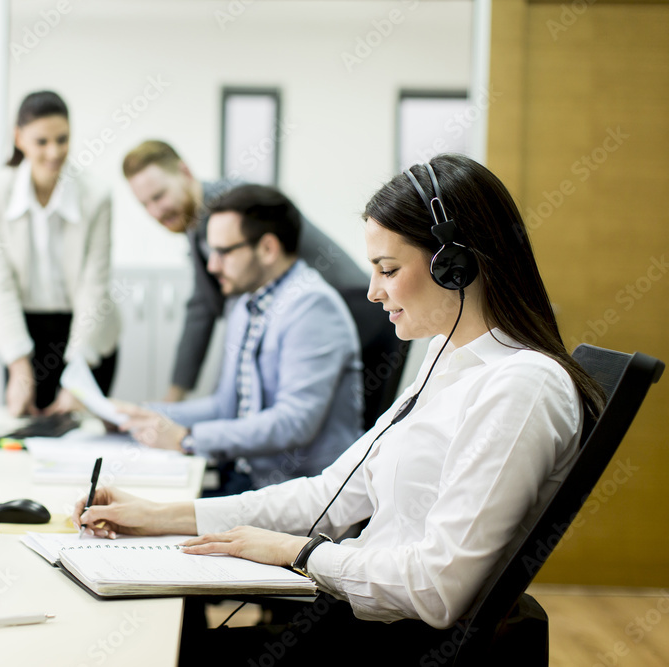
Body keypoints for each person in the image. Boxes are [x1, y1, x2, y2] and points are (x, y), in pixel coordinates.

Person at [76, 154, 606, 662]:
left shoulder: (522, 387)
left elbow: (438, 590)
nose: (373, 292)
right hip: (350, 618)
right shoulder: (447, 362)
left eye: (388, 269)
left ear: (454, 266)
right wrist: (158, 517)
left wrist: (296, 553)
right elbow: (328, 495)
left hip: (392, 644)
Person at [116, 184, 363, 494]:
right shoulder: (245, 304)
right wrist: (142, 415)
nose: (212, 266)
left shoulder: (312, 307)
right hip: (247, 479)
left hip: (299, 493)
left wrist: (187, 438)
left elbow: (294, 422)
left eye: (223, 252)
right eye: (210, 252)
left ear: (268, 249)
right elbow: (226, 406)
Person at [122, 140, 368, 402]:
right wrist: (177, 399)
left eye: (159, 196)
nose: (155, 211)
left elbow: (232, 316)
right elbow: (203, 308)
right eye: (145, 204)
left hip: (354, 312)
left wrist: (213, 408)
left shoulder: (232, 209)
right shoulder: (197, 222)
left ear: (185, 172)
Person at [0, 91, 120, 416]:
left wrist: (77, 374)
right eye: (41, 141)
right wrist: (18, 364)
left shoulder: (96, 196)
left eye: (62, 139)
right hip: (23, 332)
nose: (54, 152)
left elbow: (94, 285)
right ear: (19, 138)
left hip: (87, 333)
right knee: (26, 434)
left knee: (77, 434)